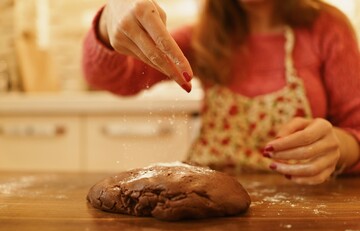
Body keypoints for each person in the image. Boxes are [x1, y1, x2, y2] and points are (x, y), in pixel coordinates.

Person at [82, 0, 360, 185]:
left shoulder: (326, 28)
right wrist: (108, 22)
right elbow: (115, 79)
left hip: (300, 208)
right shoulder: (203, 36)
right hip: (205, 204)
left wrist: (340, 145)